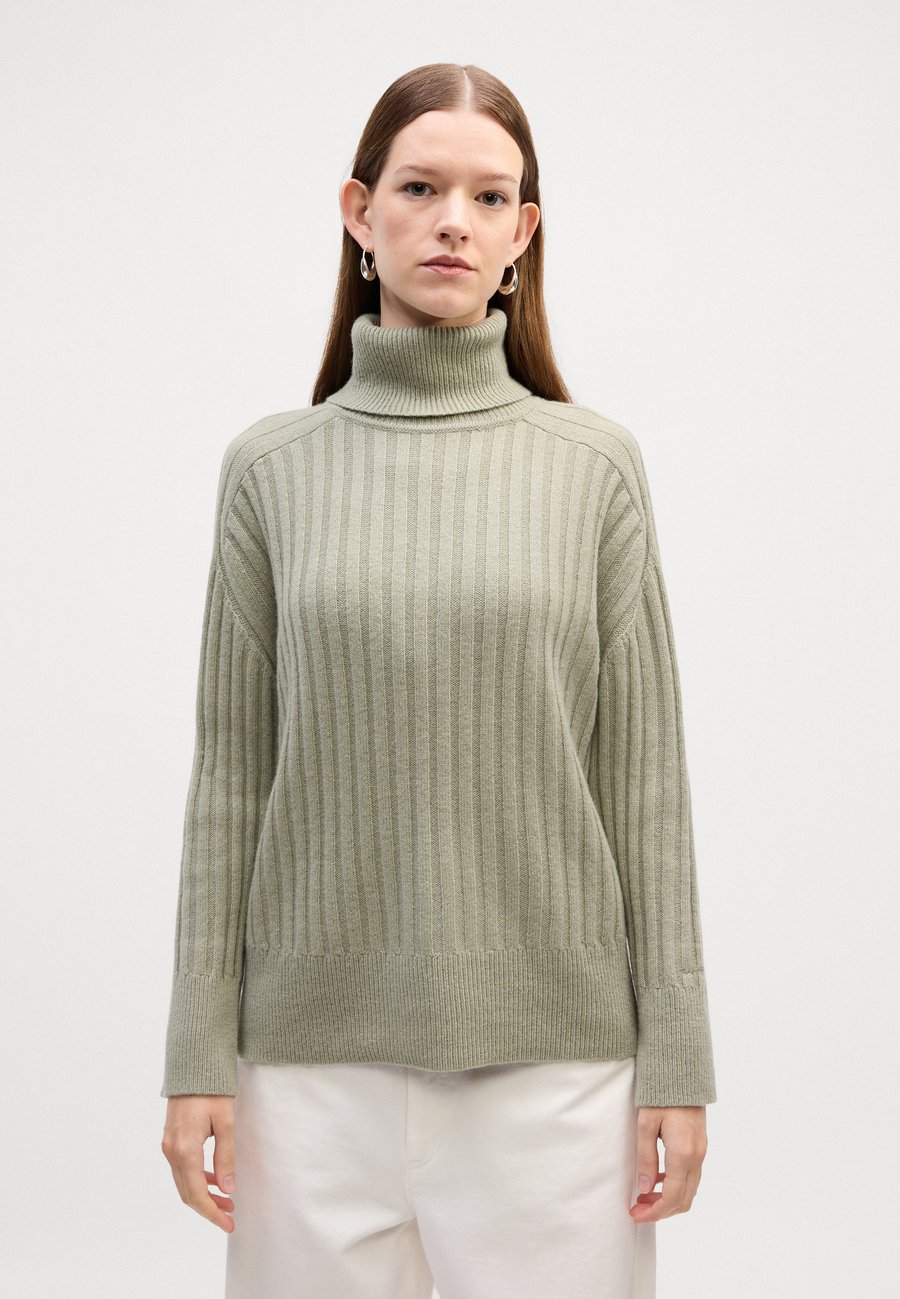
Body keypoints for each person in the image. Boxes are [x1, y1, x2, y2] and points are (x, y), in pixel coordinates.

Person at [160, 61, 717, 1299]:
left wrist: (678, 1060)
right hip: (306, 1071)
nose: (453, 220)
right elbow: (230, 779)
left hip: (556, 1073)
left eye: (488, 196)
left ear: (523, 233)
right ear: (359, 213)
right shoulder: (271, 471)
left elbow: (647, 788)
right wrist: (197, 1050)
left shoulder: (593, 468)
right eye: (419, 188)